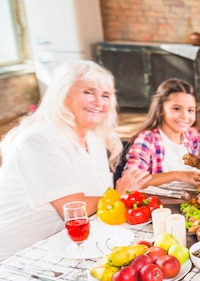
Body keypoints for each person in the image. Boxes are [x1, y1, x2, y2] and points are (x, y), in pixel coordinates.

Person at [0, 60, 150, 259]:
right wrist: (119, 194)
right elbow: (73, 209)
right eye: (89, 92)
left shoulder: (93, 138)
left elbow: (99, 202)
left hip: (64, 246)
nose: (99, 102)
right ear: (62, 94)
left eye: (106, 95)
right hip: (17, 257)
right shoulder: (39, 139)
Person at [123, 78, 200, 188]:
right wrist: (177, 175)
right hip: (159, 203)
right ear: (161, 110)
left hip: (187, 197)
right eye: (176, 109)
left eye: (190, 110)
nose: (185, 116)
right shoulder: (147, 139)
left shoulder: (191, 134)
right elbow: (130, 181)